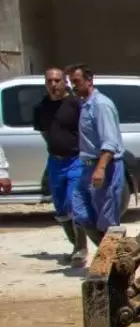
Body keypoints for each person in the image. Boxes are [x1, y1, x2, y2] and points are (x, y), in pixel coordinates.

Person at [33, 67, 87, 266]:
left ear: (65, 82)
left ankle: (82, 249)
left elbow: (86, 131)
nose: (53, 84)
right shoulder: (41, 108)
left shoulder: (75, 104)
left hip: (75, 160)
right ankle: (75, 246)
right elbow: (44, 133)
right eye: (50, 81)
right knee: (61, 208)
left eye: (57, 80)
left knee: (75, 203)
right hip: (55, 161)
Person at [67, 65, 125, 246]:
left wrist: (100, 169)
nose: (73, 86)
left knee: (106, 220)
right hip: (87, 166)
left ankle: (112, 262)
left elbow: (110, 142)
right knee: (79, 210)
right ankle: (106, 252)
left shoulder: (101, 105)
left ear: (89, 80)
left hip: (106, 166)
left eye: (76, 82)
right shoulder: (86, 104)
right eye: (71, 83)